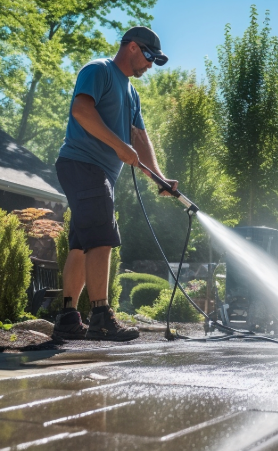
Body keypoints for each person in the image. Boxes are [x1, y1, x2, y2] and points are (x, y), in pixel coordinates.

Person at [52, 26, 177, 342]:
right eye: (149, 57)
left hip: (96, 172)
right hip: (82, 164)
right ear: (133, 47)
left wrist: (158, 178)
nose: (149, 66)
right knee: (103, 237)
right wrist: (118, 146)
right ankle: (101, 317)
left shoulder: (131, 93)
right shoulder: (99, 70)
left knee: (83, 243)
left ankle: (68, 317)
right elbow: (81, 110)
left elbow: (139, 138)